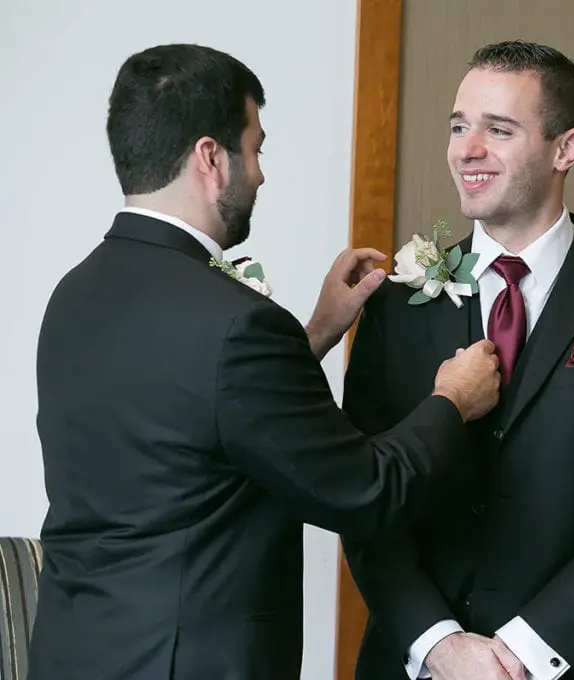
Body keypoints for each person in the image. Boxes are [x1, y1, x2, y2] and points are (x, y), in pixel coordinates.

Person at [27, 43, 501, 680]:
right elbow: (363, 490)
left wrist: (317, 331)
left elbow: (192, 416)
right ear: (210, 159)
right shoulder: (235, 324)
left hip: (76, 652)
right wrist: (453, 401)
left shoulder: (76, 293)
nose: (260, 172)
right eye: (254, 147)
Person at [341, 40, 574, 680]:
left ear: (566, 147)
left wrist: (523, 655)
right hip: (418, 665)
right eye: (459, 126)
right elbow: (366, 496)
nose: (466, 149)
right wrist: (441, 646)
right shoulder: (397, 303)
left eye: (498, 129)